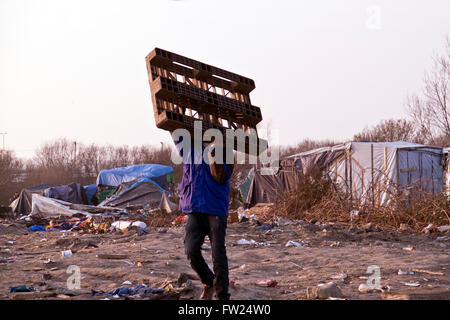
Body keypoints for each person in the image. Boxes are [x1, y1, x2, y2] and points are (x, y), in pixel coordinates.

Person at [173, 134, 234, 300]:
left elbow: (224, 175)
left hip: (215, 207)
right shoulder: (189, 148)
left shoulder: (223, 147)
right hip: (194, 206)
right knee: (191, 250)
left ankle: (222, 296)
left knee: (218, 254)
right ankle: (209, 281)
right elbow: (176, 133)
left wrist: (215, 152)